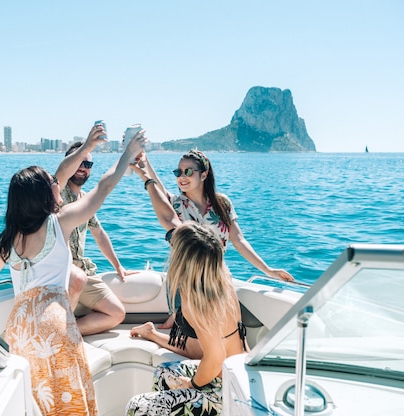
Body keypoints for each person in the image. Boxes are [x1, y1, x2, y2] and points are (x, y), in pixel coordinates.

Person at [0, 123, 146, 416]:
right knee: (68, 401)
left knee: (38, 401)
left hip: (19, 327)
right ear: (44, 194)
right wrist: (127, 154)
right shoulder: (58, 224)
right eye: (53, 184)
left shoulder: (10, 238)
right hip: (52, 324)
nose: (58, 184)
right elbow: (105, 186)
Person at [132, 149, 294, 331]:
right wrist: (145, 162)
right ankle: (166, 325)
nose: (182, 177)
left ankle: (170, 323)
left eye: (188, 171)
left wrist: (268, 270)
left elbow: (239, 240)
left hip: (217, 276)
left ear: (204, 174)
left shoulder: (222, 203)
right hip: (185, 279)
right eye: (178, 172)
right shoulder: (176, 204)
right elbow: (157, 187)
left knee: (228, 331)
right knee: (192, 335)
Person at [126, 221, 248, 416]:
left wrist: (191, 384)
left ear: (182, 257)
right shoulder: (221, 277)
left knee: (137, 406)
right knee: (164, 372)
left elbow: (216, 358)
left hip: (227, 392)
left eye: (172, 241)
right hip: (240, 374)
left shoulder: (195, 299)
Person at [56, 141, 134, 336]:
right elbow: (60, 176)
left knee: (116, 314)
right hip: (60, 271)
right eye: (79, 162)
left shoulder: (85, 200)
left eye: (88, 164)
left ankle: (65, 332)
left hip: (83, 271)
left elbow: (99, 233)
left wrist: (118, 266)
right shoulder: (54, 194)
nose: (83, 168)